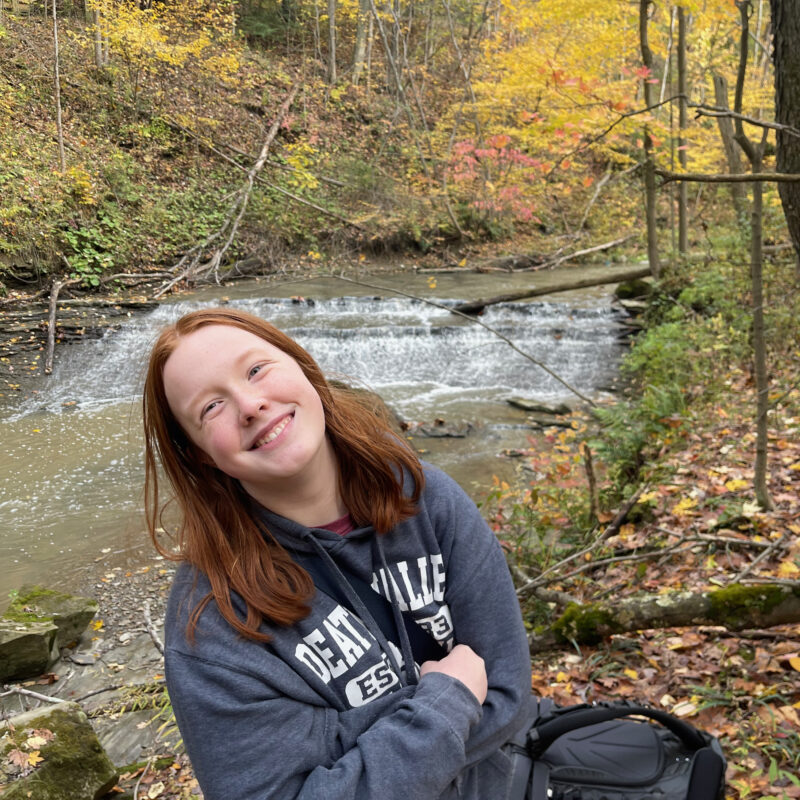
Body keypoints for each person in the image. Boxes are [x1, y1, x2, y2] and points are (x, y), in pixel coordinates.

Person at [142, 307, 532, 800]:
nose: (250, 404)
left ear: (303, 367)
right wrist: (446, 703)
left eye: (256, 369)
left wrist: (343, 750)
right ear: (199, 452)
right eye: (210, 407)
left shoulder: (429, 500)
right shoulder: (213, 621)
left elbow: (509, 694)